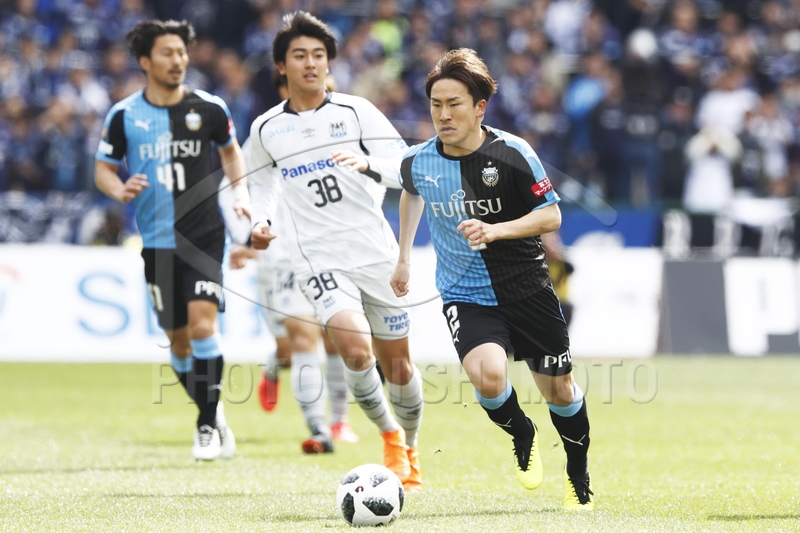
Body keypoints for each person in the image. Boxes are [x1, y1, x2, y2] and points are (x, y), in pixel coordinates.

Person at [390, 48, 593, 509]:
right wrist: (403, 257)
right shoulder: (417, 161)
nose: (443, 114)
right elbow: (410, 193)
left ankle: (577, 471)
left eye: (454, 104)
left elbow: (551, 216)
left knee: (560, 390)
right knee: (487, 377)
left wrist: (496, 229)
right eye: (436, 104)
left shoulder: (513, 152)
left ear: (480, 107)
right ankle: (523, 434)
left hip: (528, 290)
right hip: (466, 293)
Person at [248, 11, 423, 492]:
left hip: (374, 251)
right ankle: (389, 436)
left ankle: (411, 445)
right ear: (281, 66)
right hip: (318, 258)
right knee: (354, 348)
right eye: (299, 55)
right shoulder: (266, 129)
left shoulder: (356, 111)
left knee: (399, 366)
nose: (310, 63)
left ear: (329, 63)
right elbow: (260, 184)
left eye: (318, 55)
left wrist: (368, 164)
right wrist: (260, 221)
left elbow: (406, 167)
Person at [94, 20, 249, 461]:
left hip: (204, 236)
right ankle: (213, 412)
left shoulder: (209, 108)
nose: (178, 60)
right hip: (157, 242)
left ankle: (205, 426)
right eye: (167, 53)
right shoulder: (124, 115)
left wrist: (240, 192)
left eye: (182, 52)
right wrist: (119, 188)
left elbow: (231, 151)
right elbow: (103, 169)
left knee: (203, 326)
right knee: (178, 344)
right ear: (145, 61)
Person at [225, 137, 360, 453]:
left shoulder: (336, 130)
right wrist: (244, 241)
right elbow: (233, 188)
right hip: (280, 260)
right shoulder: (265, 135)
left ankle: (333, 423)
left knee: (334, 338)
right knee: (294, 346)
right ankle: (275, 366)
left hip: (328, 256)